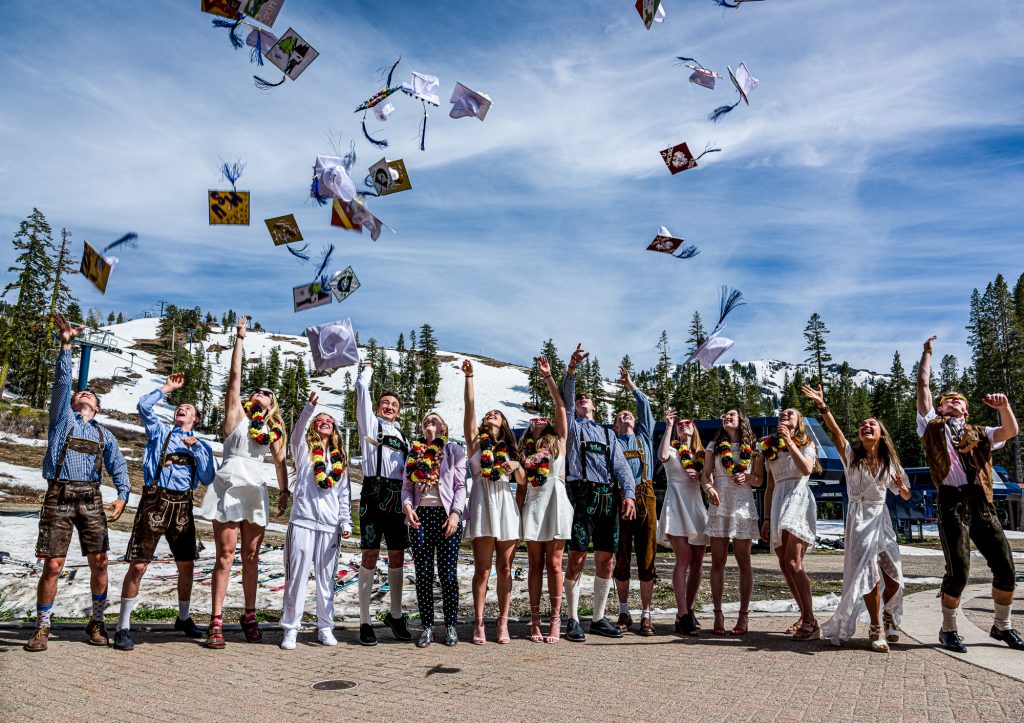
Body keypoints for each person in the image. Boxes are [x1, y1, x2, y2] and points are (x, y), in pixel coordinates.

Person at [24, 314, 130, 653]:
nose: (83, 393)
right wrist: (66, 343)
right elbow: (61, 381)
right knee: (53, 564)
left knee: (99, 562)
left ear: (96, 409)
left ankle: (97, 621)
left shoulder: (104, 434)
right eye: (79, 392)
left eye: (90, 395)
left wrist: (123, 496)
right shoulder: (62, 420)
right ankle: (43, 626)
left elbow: (118, 467)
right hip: (60, 494)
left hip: (91, 498)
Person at [916, 336, 1023, 652]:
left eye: (958, 400)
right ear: (939, 407)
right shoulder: (930, 427)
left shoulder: (982, 432)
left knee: (1006, 567)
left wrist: (1004, 407)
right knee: (959, 570)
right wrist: (927, 353)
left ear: (966, 408)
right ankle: (948, 629)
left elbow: (1011, 431)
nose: (953, 402)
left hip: (982, 504)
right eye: (947, 399)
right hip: (951, 501)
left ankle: (1002, 626)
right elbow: (923, 388)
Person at [199, 316, 289, 649]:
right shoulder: (237, 416)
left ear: (271, 403)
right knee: (225, 554)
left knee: (251, 555)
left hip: (254, 489)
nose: (259, 393)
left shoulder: (273, 431)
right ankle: (216, 620)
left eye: (266, 393)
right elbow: (234, 378)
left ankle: (249, 615)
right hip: (228, 485)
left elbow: (281, 462)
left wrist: (284, 492)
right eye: (257, 391)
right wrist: (239, 339)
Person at [803, 384, 911, 652]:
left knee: (895, 576)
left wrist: (903, 486)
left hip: (881, 518)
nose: (866, 426)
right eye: (863, 424)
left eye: (871, 424)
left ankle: (888, 614)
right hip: (859, 518)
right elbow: (837, 435)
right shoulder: (852, 456)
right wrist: (823, 407)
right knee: (868, 573)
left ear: (880, 433)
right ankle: (876, 627)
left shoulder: (890, 462)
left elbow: (906, 495)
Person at [113, 373, 216, 651]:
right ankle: (123, 626)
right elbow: (144, 407)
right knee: (139, 564)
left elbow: (207, 478)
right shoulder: (159, 432)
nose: (182, 409)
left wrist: (199, 450)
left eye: (189, 409)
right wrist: (167, 389)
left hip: (183, 504)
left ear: (195, 420)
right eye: (180, 407)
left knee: (186, 564)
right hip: (154, 500)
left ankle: (183, 618)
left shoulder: (200, 444)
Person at [560, 344, 637, 642]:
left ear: (593, 406)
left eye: (586, 399)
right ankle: (573, 618)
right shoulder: (572, 428)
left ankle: (599, 618)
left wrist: (628, 494)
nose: (581, 401)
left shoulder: (608, 433)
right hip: (582, 495)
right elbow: (566, 400)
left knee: (607, 559)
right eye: (579, 399)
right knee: (577, 557)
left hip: (608, 498)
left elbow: (622, 468)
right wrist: (571, 370)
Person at [279, 392, 352, 650]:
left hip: (329, 526)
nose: (324, 422)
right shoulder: (304, 451)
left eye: (329, 420)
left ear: (334, 429)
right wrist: (309, 408)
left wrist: (345, 522)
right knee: (296, 578)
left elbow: (344, 494)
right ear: (313, 425)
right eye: (319, 420)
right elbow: (297, 432)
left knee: (326, 580)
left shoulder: (339, 459)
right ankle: (291, 629)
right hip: (302, 521)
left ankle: (324, 627)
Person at [462, 359, 523, 644]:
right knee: (483, 568)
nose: (490, 415)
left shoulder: (511, 448)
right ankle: (478, 622)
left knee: (505, 568)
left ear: (504, 423)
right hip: (482, 503)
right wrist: (470, 377)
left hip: (505, 506)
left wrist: (515, 466)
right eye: (489, 413)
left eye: (496, 414)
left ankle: (503, 622)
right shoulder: (475, 442)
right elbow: (470, 410)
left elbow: (523, 481)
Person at [355, 361, 411, 646]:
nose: (389, 406)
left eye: (394, 404)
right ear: (376, 408)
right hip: (374, 492)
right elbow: (362, 389)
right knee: (370, 554)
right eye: (385, 403)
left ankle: (396, 614)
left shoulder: (403, 435)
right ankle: (364, 620)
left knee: (399, 554)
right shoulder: (370, 424)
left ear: (399, 411)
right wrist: (367, 372)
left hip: (398, 495)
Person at [517, 355, 573, 643]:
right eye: (533, 420)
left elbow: (561, 406)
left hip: (556, 499)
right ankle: (535, 620)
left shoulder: (559, 441)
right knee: (535, 564)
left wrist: (548, 376)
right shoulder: (523, 449)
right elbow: (520, 482)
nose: (538, 422)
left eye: (543, 418)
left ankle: (555, 621)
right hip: (535, 502)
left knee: (554, 563)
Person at [402, 411, 467, 648]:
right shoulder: (415, 452)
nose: (430, 421)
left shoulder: (454, 451)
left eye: (435, 419)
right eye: (426, 420)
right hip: (420, 517)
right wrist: (408, 507)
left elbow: (460, 486)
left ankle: (450, 624)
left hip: (447, 516)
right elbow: (407, 487)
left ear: (444, 428)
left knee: (448, 575)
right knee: (424, 575)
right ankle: (427, 626)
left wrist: (455, 514)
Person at [758, 408, 821, 641]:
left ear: (799, 422)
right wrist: (765, 518)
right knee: (784, 565)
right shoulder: (770, 448)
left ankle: (810, 621)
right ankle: (805, 615)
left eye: (790, 413)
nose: (785, 415)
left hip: (798, 498)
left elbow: (806, 469)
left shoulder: (807, 443)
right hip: (778, 501)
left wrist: (789, 441)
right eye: (782, 413)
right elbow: (770, 486)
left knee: (794, 562)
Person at [701, 408, 763, 636]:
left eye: (732, 415)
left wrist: (747, 476)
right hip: (720, 503)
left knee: (743, 561)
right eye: (725, 415)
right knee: (717, 560)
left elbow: (758, 480)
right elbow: (705, 475)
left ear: (741, 421)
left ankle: (743, 615)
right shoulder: (713, 446)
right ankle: (718, 613)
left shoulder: (754, 448)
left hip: (742, 504)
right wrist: (708, 488)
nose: (727, 417)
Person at [611, 366, 658, 636]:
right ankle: (624, 610)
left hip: (646, 495)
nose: (626, 415)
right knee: (622, 555)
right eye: (620, 416)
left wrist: (630, 384)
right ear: (616, 426)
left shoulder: (644, 438)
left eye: (628, 414)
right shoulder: (613, 442)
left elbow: (645, 406)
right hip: (620, 498)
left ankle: (647, 614)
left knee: (647, 555)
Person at [656, 410, 710, 636]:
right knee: (684, 558)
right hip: (677, 502)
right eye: (680, 424)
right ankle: (682, 613)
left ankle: (687, 610)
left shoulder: (702, 453)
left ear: (694, 427)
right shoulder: (672, 449)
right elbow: (661, 456)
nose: (682, 425)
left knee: (697, 561)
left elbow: (710, 479)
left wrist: (703, 477)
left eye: (687, 423)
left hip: (696, 505)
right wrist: (668, 426)